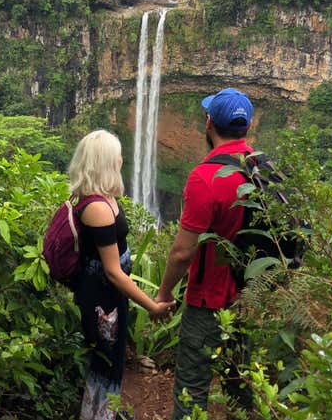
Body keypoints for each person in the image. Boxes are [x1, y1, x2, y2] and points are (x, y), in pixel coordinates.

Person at [155, 88, 256, 419]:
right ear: (247, 127)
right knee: (242, 386)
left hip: (208, 302)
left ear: (209, 122)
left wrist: (164, 292)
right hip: (252, 300)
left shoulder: (205, 177)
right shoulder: (261, 169)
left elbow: (183, 253)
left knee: (191, 388)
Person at [68, 129, 175, 420]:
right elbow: (113, 272)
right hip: (102, 300)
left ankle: (103, 413)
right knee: (105, 363)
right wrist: (152, 306)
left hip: (110, 298)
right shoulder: (97, 208)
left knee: (111, 360)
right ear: (105, 162)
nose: (122, 158)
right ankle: (98, 414)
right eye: (116, 155)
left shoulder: (102, 197)